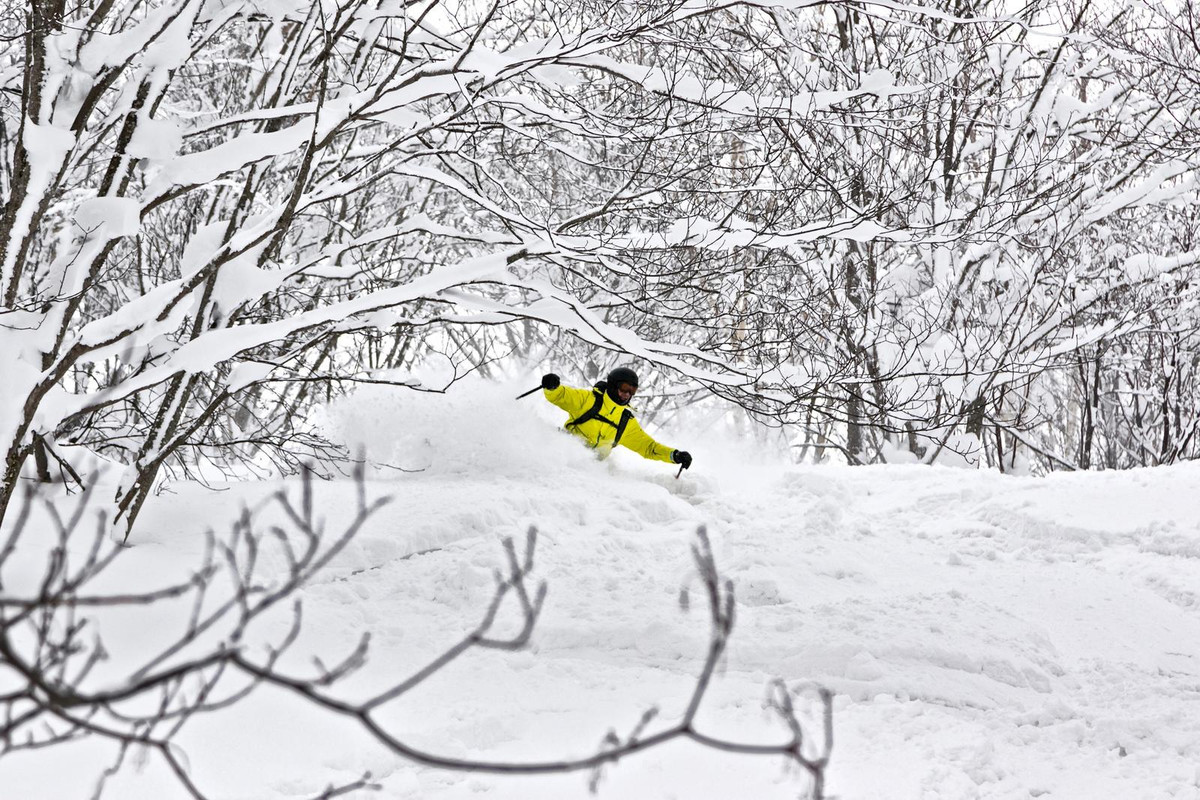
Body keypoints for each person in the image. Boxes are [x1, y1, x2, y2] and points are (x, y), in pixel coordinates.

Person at [540, 366, 692, 470]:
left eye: (632, 390)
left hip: (592, 471)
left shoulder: (625, 421)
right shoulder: (588, 400)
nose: (627, 394)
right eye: (624, 388)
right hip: (564, 459)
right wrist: (552, 387)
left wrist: (674, 455)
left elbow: (648, 448)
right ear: (613, 385)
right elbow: (560, 395)